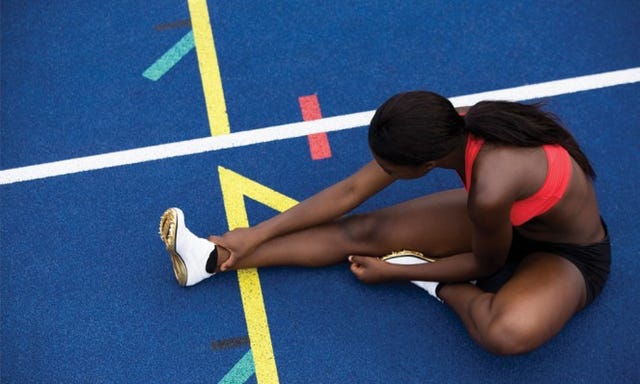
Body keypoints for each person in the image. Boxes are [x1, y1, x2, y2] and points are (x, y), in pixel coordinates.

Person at [159, 91, 610, 355]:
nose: (382, 174)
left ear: (427, 163)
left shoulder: (491, 189)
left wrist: (402, 271)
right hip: (502, 224)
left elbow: (484, 264)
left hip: (565, 256)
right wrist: (256, 233)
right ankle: (210, 260)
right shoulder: (443, 126)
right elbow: (350, 193)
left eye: (391, 170)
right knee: (362, 230)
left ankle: (440, 289)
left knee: (503, 332)